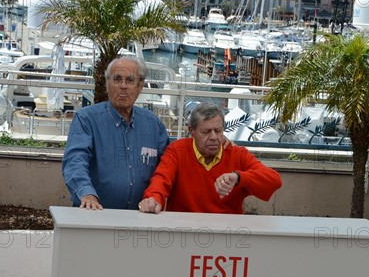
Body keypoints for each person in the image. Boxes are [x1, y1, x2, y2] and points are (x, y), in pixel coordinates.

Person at [62, 56, 169, 210]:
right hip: (94, 215)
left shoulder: (154, 125)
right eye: (117, 79)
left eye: (130, 80)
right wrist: (87, 193)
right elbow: (75, 161)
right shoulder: (86, 119)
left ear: (140, 86)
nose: (123, 86)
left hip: (140, 219)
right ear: (107, 85)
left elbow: (166, 169)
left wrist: (156, 196)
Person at [138, 102, 282, 214]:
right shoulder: (177, 150)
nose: (214, 137)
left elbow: (274, 180)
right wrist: (153, 198)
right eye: (206, 132)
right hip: (184, 232)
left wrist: (238, 177)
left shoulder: (237, 154)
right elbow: (161, 179)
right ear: (191, 131)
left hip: (227, 236)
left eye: (218, 130)